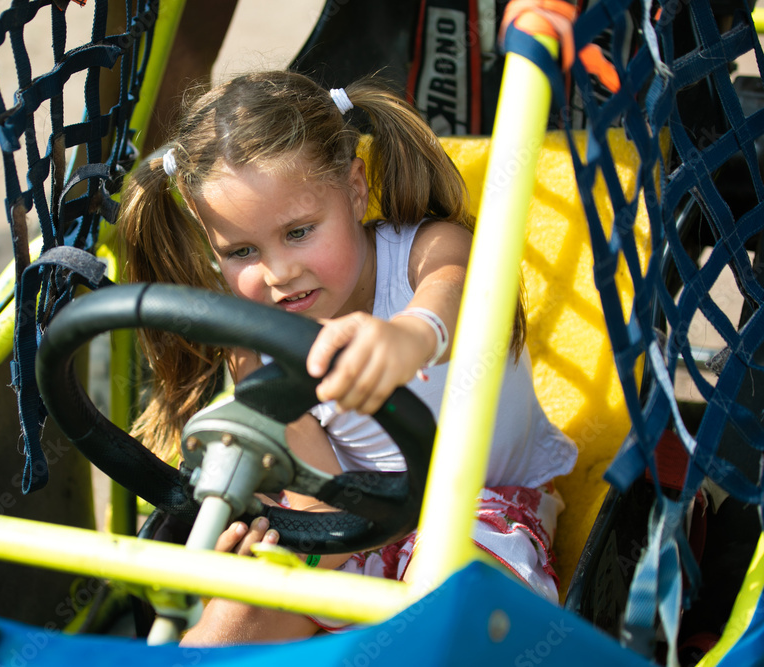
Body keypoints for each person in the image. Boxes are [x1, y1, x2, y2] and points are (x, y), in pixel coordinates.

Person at [117, 70, 577, 645]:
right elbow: (319, 499)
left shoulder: (423, 249)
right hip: (355, 527)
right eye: (241, 251)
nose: (279, 273)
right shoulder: (255, 348)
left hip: (481, 514)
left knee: (442, 602)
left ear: (355, 189)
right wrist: (272, 562)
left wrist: (409, 336)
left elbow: (458, 290)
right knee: (229, 621)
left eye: (300, 231)